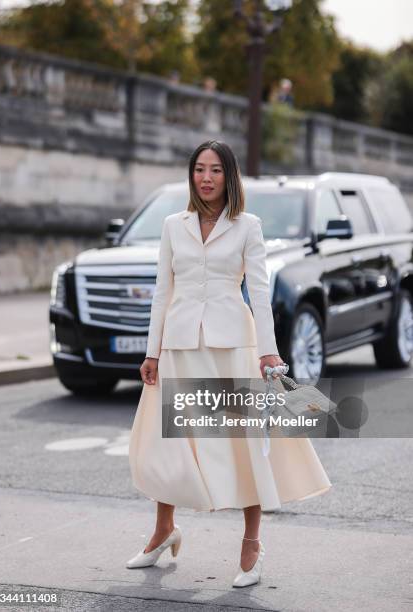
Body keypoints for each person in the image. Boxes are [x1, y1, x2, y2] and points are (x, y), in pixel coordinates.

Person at [127, 140, 332, 587]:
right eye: (199, 169)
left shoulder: (247, 226)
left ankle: (252, 543)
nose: (206, 177)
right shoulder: (172, 225)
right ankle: (164, 529)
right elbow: (163, 291)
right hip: (180, 345)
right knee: (174, 444)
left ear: (229, 176)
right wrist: (151, 350)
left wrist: (268, 350)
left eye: (215, 170)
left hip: (233, 346)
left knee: (243, 443)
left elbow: (258, 293)